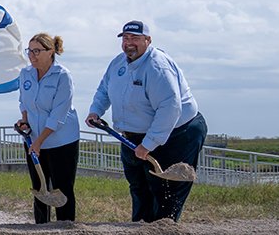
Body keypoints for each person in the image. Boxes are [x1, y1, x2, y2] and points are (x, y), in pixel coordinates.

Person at [87, 20, 207, 223]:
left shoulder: (157, 67)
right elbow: (104, 89)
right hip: (134, 136)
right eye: (125, 38)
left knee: (166, 190)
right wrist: (95, 111)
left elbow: (170, 108)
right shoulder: (118, 63)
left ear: (148, 40)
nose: (129, 43)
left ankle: (164, 232)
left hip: (177, 133)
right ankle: (140, 230)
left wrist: (149, 144)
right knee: (138, 186)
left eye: (135, 38)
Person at [15, 32, 79, 224]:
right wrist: (24, 121)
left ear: (50, 52)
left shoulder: (62, 76)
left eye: (37, 51)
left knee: (62, 189)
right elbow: (23, 102)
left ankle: (65, 229)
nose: (32, 55)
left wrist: (39, 142)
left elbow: (58, 115)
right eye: (29, 51)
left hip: (61, 141)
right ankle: (40, 229)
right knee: (39, 188)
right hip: (33, 140)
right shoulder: (25, 74)